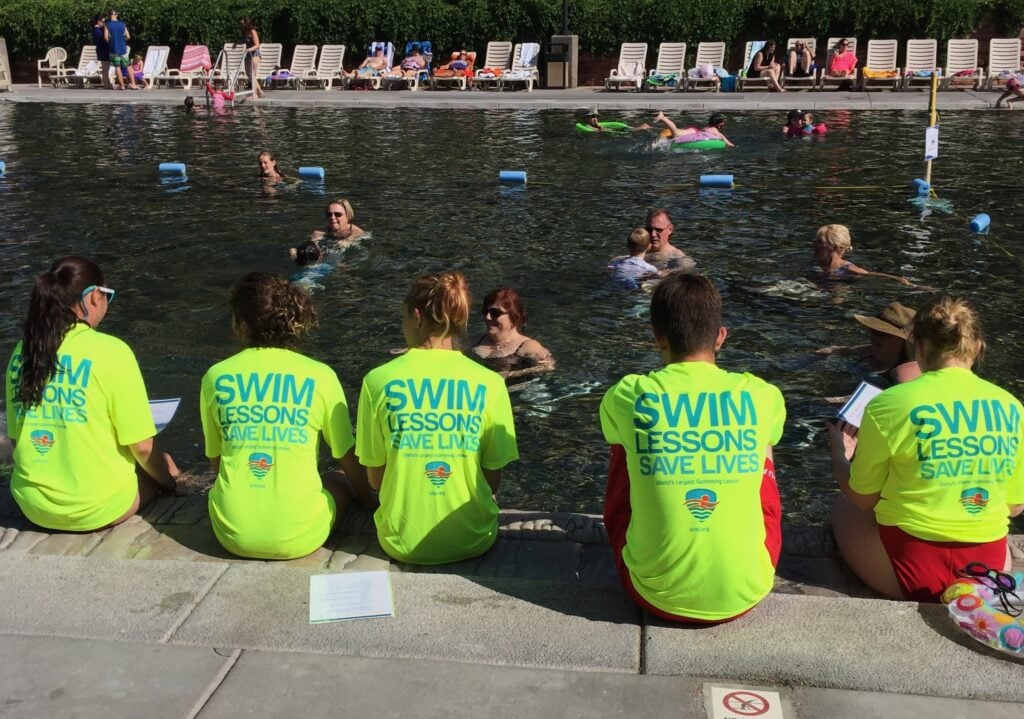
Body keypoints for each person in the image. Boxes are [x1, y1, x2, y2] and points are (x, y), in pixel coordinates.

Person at [601, 272, 786, 623]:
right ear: (720, 336)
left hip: (654, 593)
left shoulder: (629, 395)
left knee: (629, 447)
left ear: (658, 338)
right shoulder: (763, 395)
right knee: (760, 449)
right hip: (746, 591)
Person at [827, 295, 1024, 602]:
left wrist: (841, 453)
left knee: (844, 506)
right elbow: (1014, 506)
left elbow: (864, 499)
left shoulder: (888, 404)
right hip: (986, 570)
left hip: (910, 568)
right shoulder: (1012, 407)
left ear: (917, 346)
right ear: (977, 347)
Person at [200, 272, 374, 560]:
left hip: (231, 534)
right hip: (299, 537)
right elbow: (346, 453)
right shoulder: (320, 376)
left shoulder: (216, 376)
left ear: (241, 324)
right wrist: (369, 502)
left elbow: (216, 460)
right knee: (336, 478)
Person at [4, 257, 180, 532]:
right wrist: (170, 482)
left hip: (32, 505)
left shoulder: (23, 351)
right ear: (94, 297)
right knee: (161, 466)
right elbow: (143, 447)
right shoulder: (111, 351)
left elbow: (17, 439)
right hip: (93, 508)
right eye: (109, 296)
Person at [356, 271, 519, 564]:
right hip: (474, 538)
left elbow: (376, 480)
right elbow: (492, 479)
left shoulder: (377, 380)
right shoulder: (490, 383)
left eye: (403, 317)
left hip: (399, 541)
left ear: (416, 316)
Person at [470, 288, 555, 381]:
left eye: (495, 313)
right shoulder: (476, 341)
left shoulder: (527, 346)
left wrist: (512, 374)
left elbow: (548, 367)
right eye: (485, 311)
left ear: (514, 317)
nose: (488, 317)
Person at [813, 224, 911, 285]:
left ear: (834, 247)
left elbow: (869, 274)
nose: (813, 243)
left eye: (820, 241)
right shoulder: (820, 263)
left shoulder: (847, 267)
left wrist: (898, 279)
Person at [651, 111, 734, 147]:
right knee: (675, 133)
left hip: (694, 131)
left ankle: (658, 143)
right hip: (694, 132)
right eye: (721, 126)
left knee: (674, 135)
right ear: (718, 125)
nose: (722, 127)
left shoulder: (708, 127)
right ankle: (662, 117)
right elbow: (729, 144)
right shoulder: (716, 131)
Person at [104, 10, 137, 90]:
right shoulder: (122, 24)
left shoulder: (107, 24)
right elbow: (128, 36)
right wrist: (122, 40)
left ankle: (122, 85)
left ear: (109, 15)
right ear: (117, 15)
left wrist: (111, 42)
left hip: (114, 49)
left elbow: (105, 37)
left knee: (117, 67)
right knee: (128, 66)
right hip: (123, 48)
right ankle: (133, 84)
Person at [240, 17, 264, 99]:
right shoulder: (245, 32)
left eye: (242, 23)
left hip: (255, 54)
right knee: (249, 74)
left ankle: (255, 94)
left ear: (247, 23)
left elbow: (257, 44)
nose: (241, 25)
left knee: (253, 74)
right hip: (248, 54)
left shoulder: (252, 32)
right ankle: (260, 92)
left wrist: (249, 49)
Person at [91, 14, 111, 89]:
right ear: (98, 21)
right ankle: (106, 84)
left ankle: (108, 83)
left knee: (107, 67)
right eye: (103, 21)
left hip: (104, 49)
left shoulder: (100, 29)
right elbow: (102, 39)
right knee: (105, 68)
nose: (104, 23)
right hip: (102, 50)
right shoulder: (96, 30)